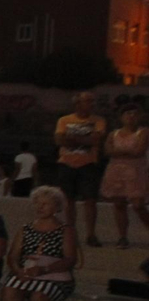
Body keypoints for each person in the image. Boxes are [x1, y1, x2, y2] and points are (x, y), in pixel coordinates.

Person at [0, 186, 77, 301]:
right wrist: (19, 271)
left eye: (45, 204)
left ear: (56, 207)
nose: (40, 207)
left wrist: (44, 269)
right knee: (9, 291)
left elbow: (69, 259)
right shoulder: (26, 229)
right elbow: (13, 256)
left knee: (39, 296)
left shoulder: (65, 230)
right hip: (27, 272)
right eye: (38, 204)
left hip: (54, 274)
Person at [54, 92, 107, 248]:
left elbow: (95, 140)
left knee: (90, 200)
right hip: (66, 163)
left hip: (88, 164)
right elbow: (59, 140)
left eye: (92, 101)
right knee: (68, 201)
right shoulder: (64, 120)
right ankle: (70, 233)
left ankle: (91, 234)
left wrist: (71, 138)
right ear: (78, 104)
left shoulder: (98, 121)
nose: (91, 104)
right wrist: (85, 139)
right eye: (88, 101)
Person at [101, 105, 149, 248]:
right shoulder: (113, 134)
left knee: (138, 205)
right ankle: (122, 237)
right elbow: (108, 151)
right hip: (116, 171)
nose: (131, 117)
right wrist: (127, 151)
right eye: (128, 114)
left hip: (136, 172)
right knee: (119, 204)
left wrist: (119, 151)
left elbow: (139, 151)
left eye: (134, 114)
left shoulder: (143, 132)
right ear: (121, 117)